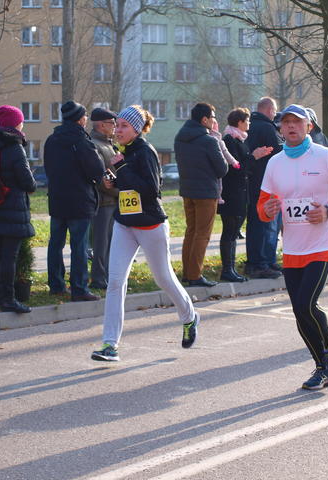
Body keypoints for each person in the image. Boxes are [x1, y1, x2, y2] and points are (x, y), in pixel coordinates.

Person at [257, 104, 328, 390]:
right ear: (280, 128)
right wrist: (267, 210)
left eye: (297, 122)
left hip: (323, 243)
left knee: (306, 303)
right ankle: (321, 366)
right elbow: (262, 207)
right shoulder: (275, 163)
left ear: (309, 126)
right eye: (286, 122)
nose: (291, 126)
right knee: (299, 311)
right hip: (293, 247)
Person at [91, 105, 199, 362]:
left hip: (150, 225)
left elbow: (151, 189)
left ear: (137, 130)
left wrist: (122, 168)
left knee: (163, 278)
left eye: (124, 126)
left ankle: (189, 316)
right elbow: (127, 185)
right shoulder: (123, 152)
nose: (118, 130)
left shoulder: (145, 151)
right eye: (117, 125)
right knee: (115, 282)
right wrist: (112, 181)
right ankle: (110, 345)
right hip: (125, 224)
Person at [44, 101, 105, 301]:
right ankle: (79, 288)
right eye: (85, 116)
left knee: (55, 244)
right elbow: (97, 170)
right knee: (78, 246)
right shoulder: (82, 142)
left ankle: (56, 285)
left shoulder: (51, 140)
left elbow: (48, 168)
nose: (86, 119)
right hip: (80, 201)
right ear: (80, 119)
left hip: (57, 199)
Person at [0, 105, 37, 313]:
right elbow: (28, 182)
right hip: (14, 207)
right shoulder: (15, 147)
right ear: (16, 124)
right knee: (9, 257)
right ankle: (8, 298)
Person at [174, 102, 228, 287]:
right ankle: (195, 275)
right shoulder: (209, 140)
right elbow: (222, 169)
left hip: (187, 190)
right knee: (203, 234)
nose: (214, 120)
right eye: (212, 117)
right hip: (206, 193)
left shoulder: (180, 137)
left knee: (191, 231)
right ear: (204, 119)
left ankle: (187, 273)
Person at [219, 107, 272, 282]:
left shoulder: (240, 139)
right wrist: (253, 156)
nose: (249, 123)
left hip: (241, 193)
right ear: (240, 122)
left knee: (233, 232)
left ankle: (232, 269)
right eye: (247, 120)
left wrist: (255, 156)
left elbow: (245, 166)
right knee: (230, 232)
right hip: (232, 194)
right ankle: (227, 269)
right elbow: (236, 168)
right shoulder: (229, 140)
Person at [245, 97, 283, 279]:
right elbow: (279, 153)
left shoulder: (249, 127)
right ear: (269, 110)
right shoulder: (268, 128)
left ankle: (261, 261)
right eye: (274, 111)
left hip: (253, 182)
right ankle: (263, 263)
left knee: (255, 223)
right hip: (268, 183)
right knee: (266, 224)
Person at [89, 107, 118, 290]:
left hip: (113, 201)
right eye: (111, 123)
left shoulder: (109, 144)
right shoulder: (95, 145)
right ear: (101, 125)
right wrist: (120, 191)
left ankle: (108, 276)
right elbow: (101, 179)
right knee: (101, 243)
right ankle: (99, 278)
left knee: (111, 243)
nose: (115, 126)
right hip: (103, 202)